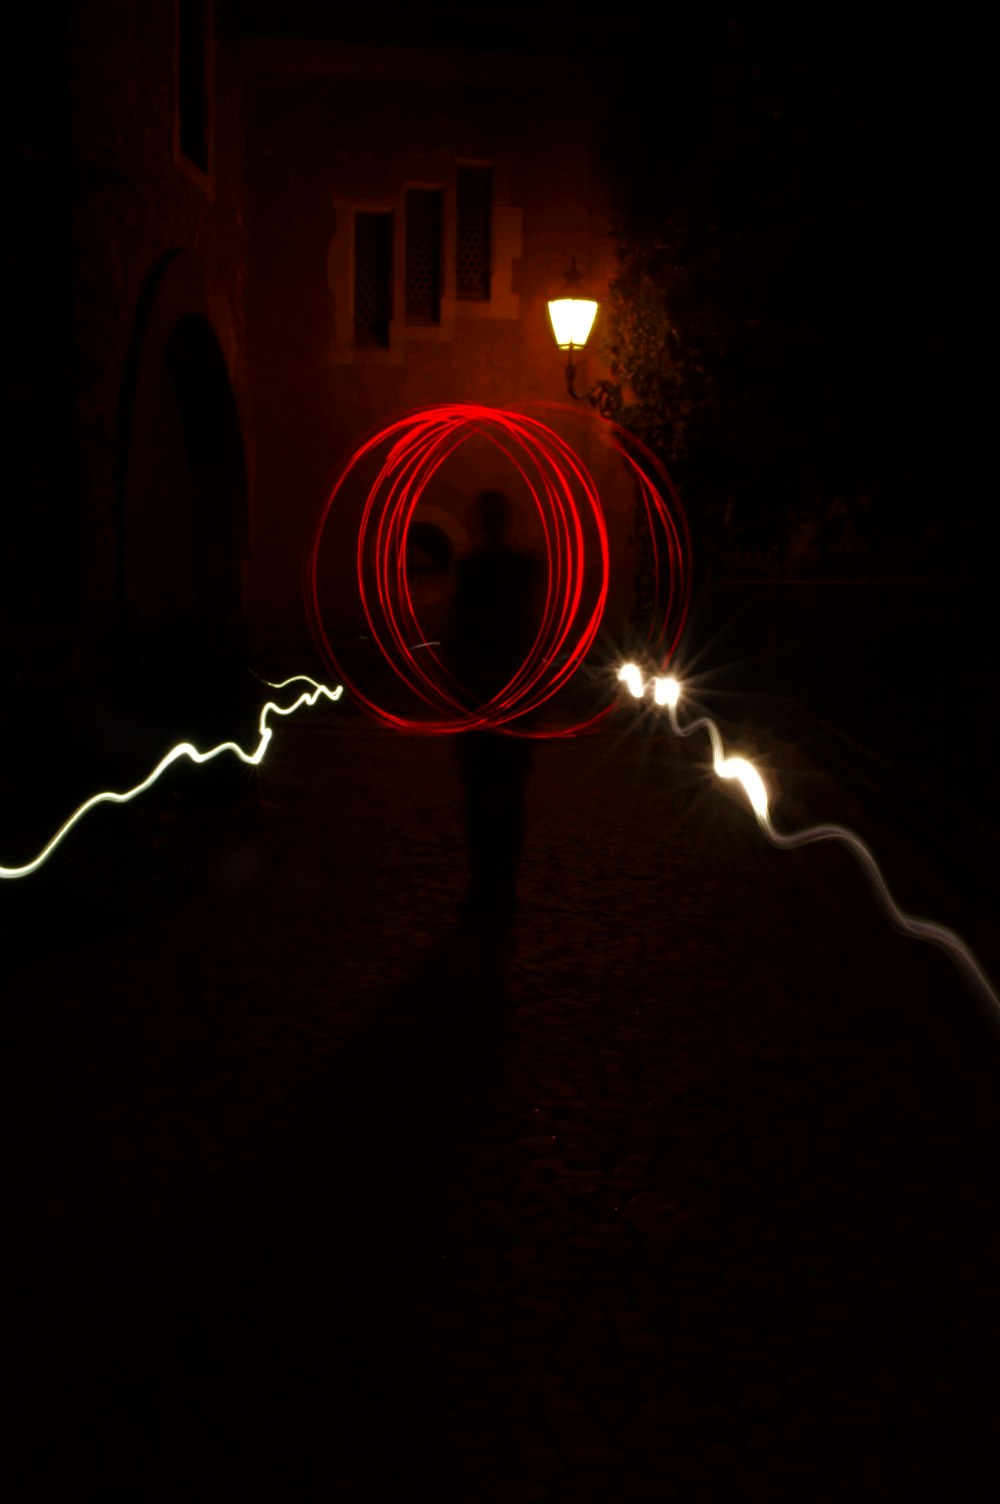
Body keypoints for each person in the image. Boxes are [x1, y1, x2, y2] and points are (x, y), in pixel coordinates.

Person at [444, 490, 542, 923]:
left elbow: (458, 634)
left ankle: (489, 882)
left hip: (486, 697)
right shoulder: (522, 569)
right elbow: (528, 632)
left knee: (486, 794)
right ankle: (498, 882)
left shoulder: (482, 570)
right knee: (500, 793)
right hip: (498, 697)